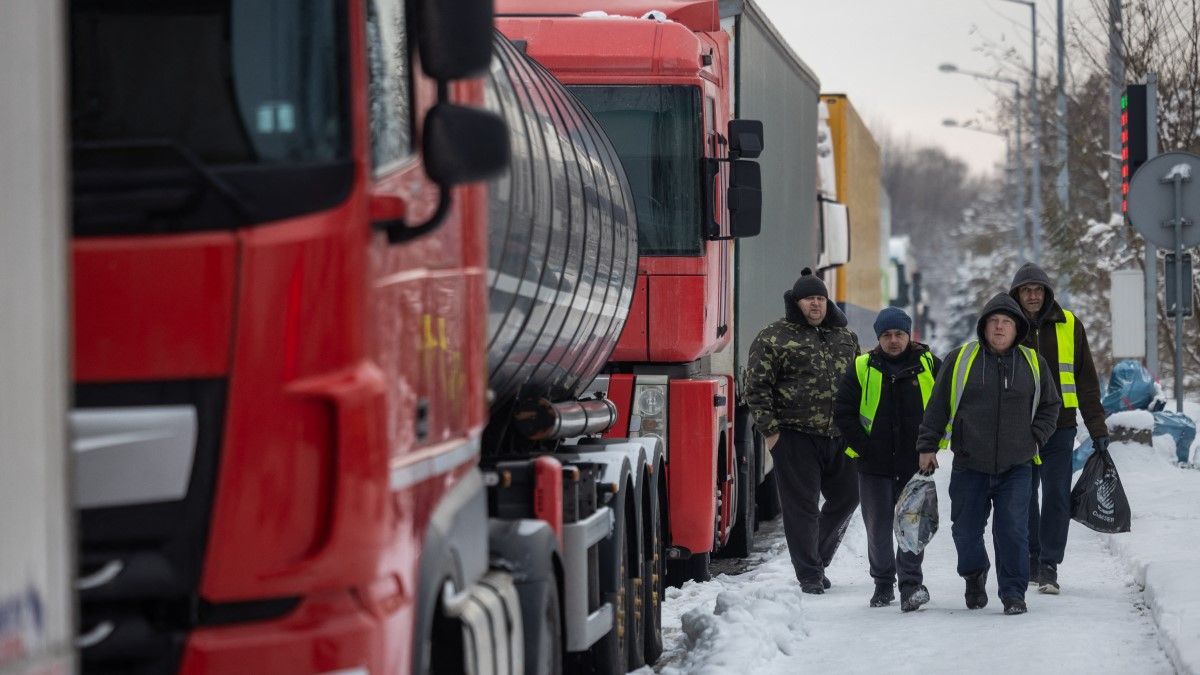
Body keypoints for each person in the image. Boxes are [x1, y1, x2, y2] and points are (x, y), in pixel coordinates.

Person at [915, 293, 1061, 615]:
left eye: (1006, 322)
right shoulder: (961, 358)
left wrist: (1035, 439)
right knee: (965, 531)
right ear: (983, 326)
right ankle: (974, 573)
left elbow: (1051, 406)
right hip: (970, 462)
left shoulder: (1033, 362)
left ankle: (1013, 594)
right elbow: (937, 406)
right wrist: (927, 446)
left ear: (1017, 328)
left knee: (1012, 530)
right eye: (993, 321)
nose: (999, 327)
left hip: (1017, 464)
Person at [745, 268, 861, 594]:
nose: (816, 304)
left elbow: (859, 385)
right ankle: (809, 574)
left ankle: (817, 558)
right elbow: (756, 387)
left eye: (821, 299)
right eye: (810, 299)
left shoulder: (846, 338)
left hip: (840, 436)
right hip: (794, 436)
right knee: (802, 508)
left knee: (849, 496)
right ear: (796, 302)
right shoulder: (773, 337)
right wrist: (771, 433)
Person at [1009, 263, 1108, 594]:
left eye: (1038, 290)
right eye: (1027, 290)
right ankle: (1032, 559)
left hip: (1060, 427)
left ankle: (1049, 564)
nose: (1033, 296)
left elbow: (1086, 380)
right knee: (1023, 495)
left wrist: (1097, 426)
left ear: (1047, 293)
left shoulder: (1069, 325)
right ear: (1017, 294)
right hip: (1020, 429)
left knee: (1055, 495)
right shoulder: (1007, 326)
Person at [834, 307, 941, 612]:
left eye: (899, 334)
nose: (894, 340)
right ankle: (883, 584)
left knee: (912, 526)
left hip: (917, 464)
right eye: (887, 335)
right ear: (879, 338)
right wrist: (864, 448)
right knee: (878, 528)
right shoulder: (862, 367)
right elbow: (844, 411)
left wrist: (932, 446)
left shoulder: (930, 365)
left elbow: (948, 406)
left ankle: (910, 585)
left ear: (909, 335)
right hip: (874, 465)